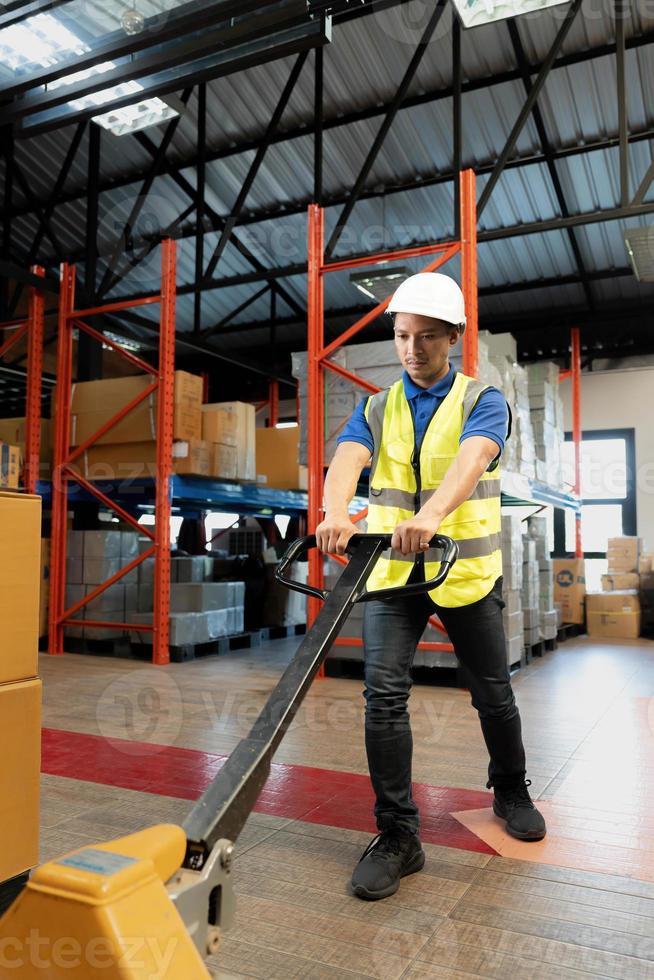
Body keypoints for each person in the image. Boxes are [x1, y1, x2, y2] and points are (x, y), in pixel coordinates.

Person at [316, 272, 546, 902]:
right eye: (401, 336)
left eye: (425, 337)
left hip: (465, 572)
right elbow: (348, 461)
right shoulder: (374, 405)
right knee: (382, 697)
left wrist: (432, 515)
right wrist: (336, 510)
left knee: (492, 694)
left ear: (452, 336)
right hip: (395, 575)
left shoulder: (484, 400)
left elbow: (472, 460)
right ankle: (398, 836)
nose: (412, 349)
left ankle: (511, 791)